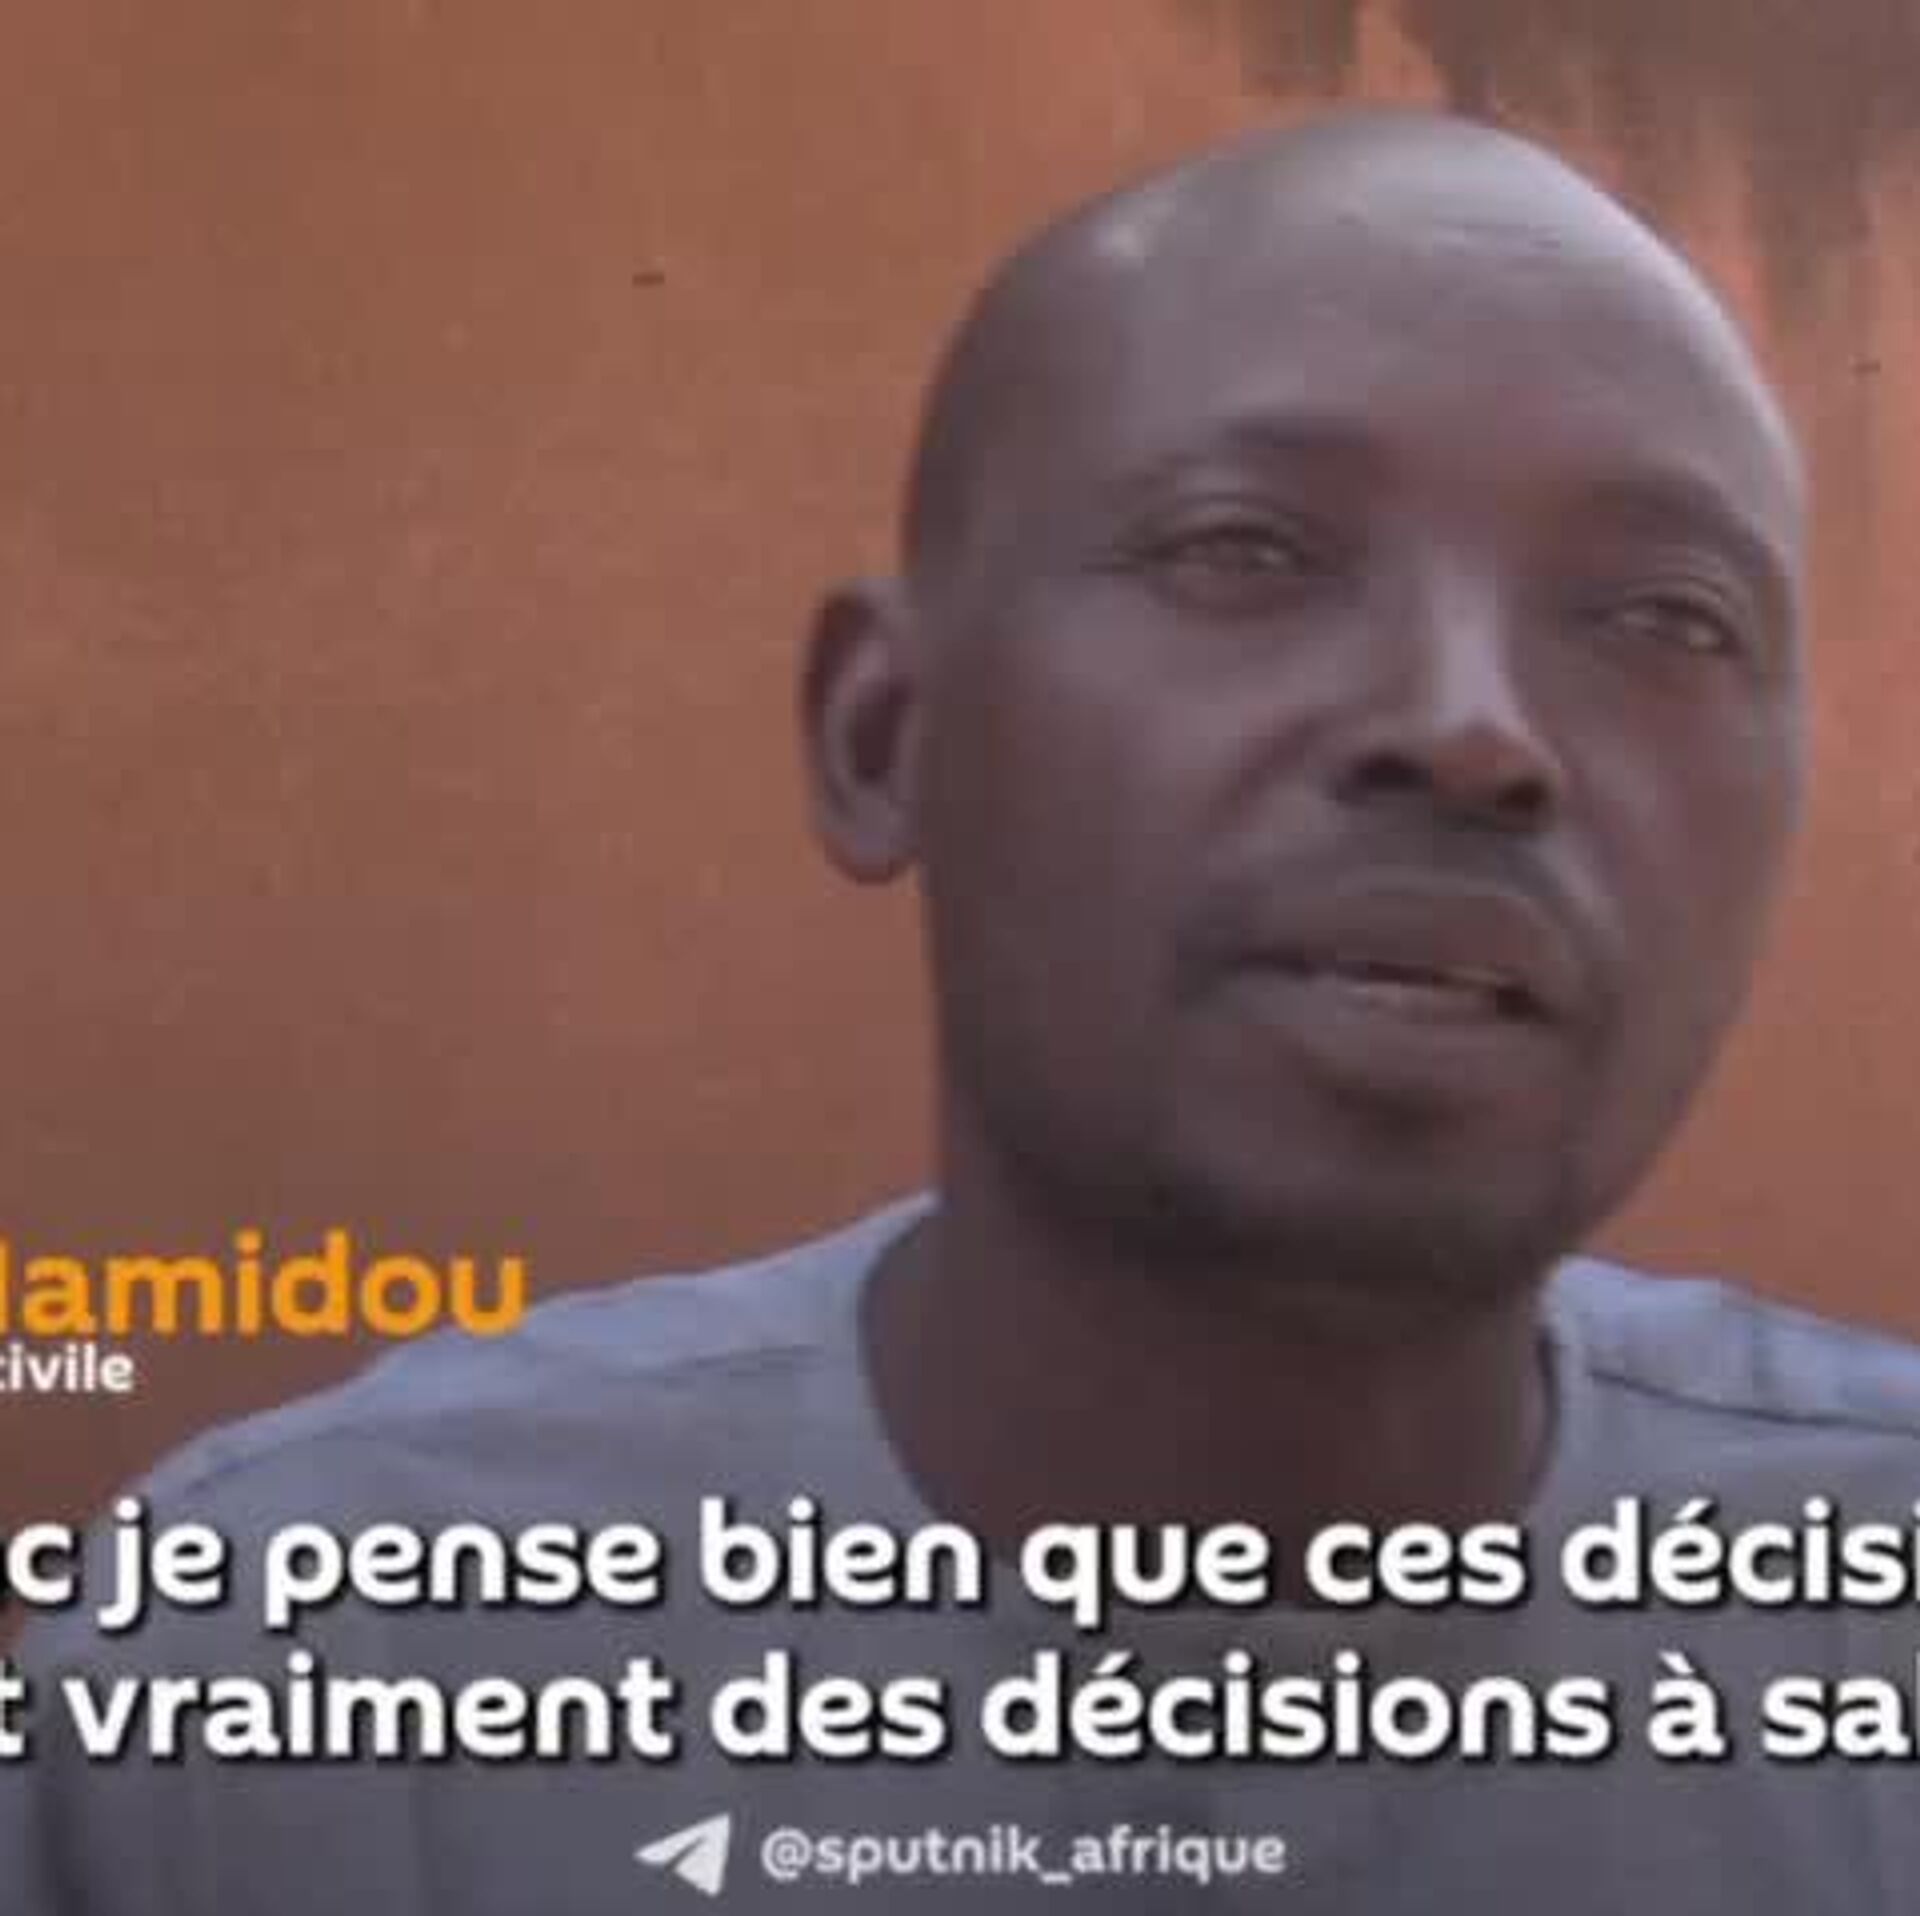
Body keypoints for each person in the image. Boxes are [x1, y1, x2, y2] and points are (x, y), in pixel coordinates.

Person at [7, 106, 1919, 1913]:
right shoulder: (296, 1696)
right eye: (1246, 550)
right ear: (883, 735)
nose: (1471, 727)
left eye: (1665, 617)